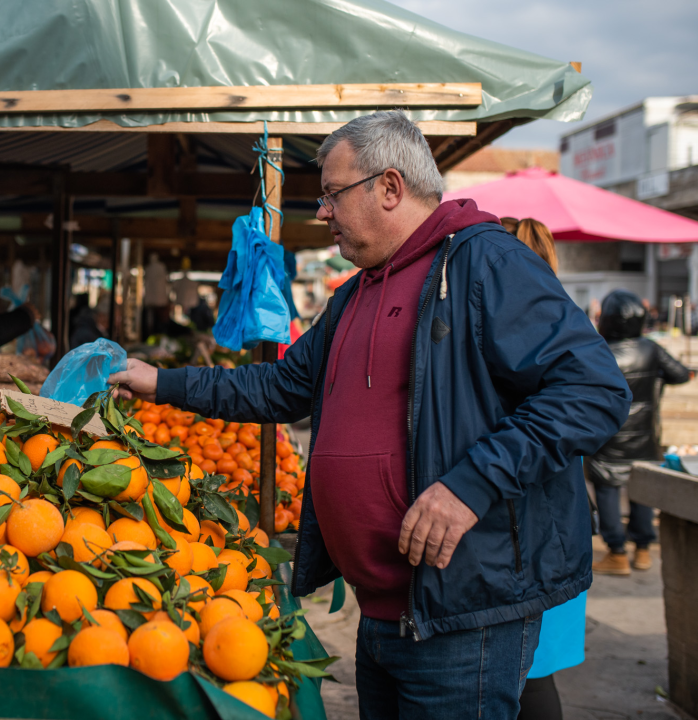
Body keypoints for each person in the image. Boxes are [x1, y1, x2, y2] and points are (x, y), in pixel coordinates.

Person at [110, 111, 631, 719]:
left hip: (461, 615)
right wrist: (160, 382)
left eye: (332, 194)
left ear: (390, 187)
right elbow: (280, 388)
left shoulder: (484, 264)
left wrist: (471, 484)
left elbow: (593, 389)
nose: (322, 212)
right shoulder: (352, 295)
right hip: (381, 613)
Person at [509, 218, 581, 720]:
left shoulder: (518, 325)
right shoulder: (567, 318)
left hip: (527, 525)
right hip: (561, 521)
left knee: (523, 674)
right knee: (535, 672)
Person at [588, 289, 690, 575]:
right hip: (644, 436)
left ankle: (617, 552)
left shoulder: (597, 350)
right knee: (642, 491)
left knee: (608, 490)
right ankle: (643, 551)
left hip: (608, 437)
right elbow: (680, 374)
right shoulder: (651, 348)